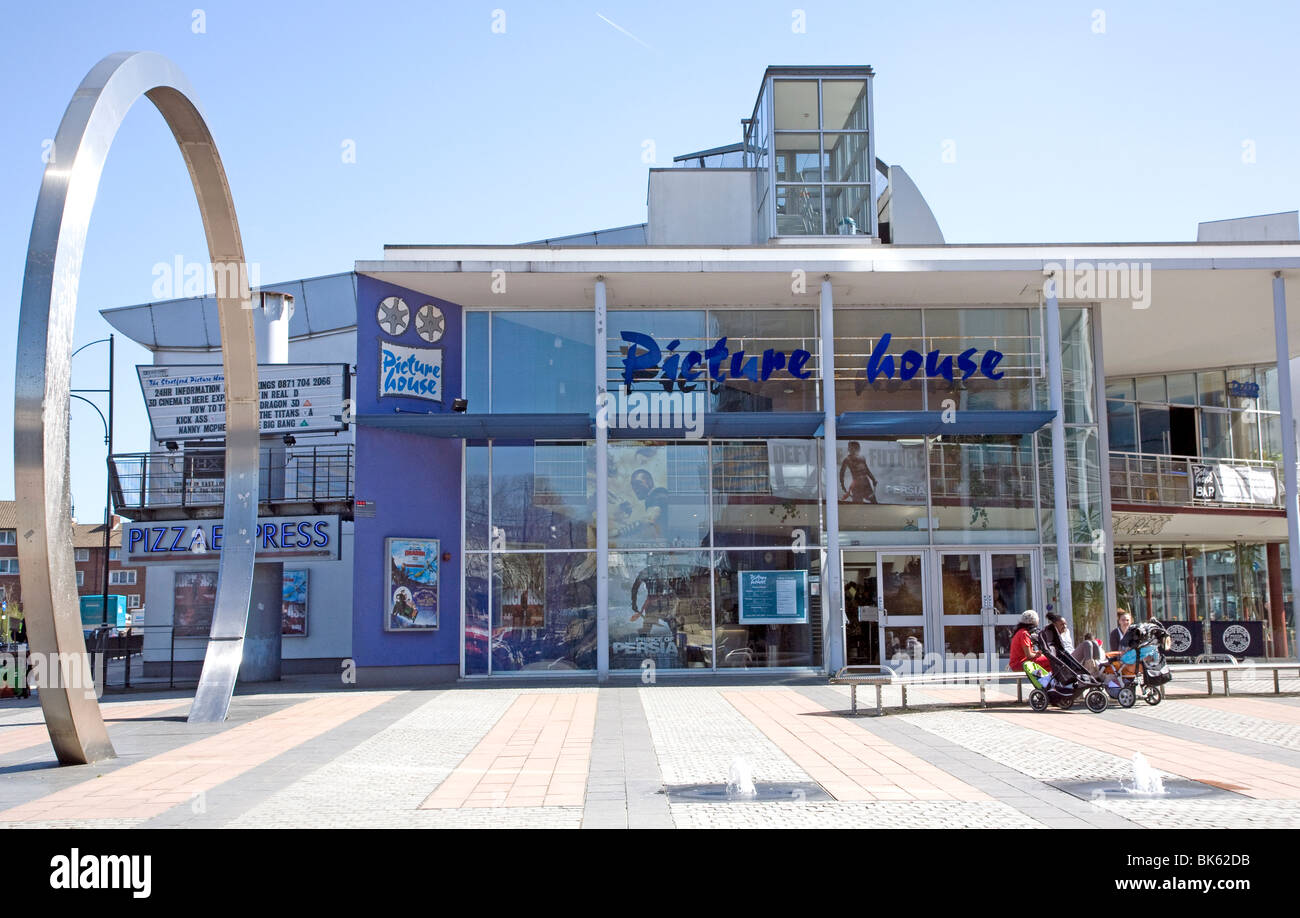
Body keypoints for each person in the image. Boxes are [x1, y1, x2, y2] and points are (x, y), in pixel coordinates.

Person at [1009, 609, 1049, 674]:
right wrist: (1037, 654)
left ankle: (1044, 679)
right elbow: (1029, 655)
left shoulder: (1020, 632)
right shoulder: (1024, 633)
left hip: (1019, 663)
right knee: (1051, 660)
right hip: (1020, 664)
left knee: (1047, 660)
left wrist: (1036, 653)